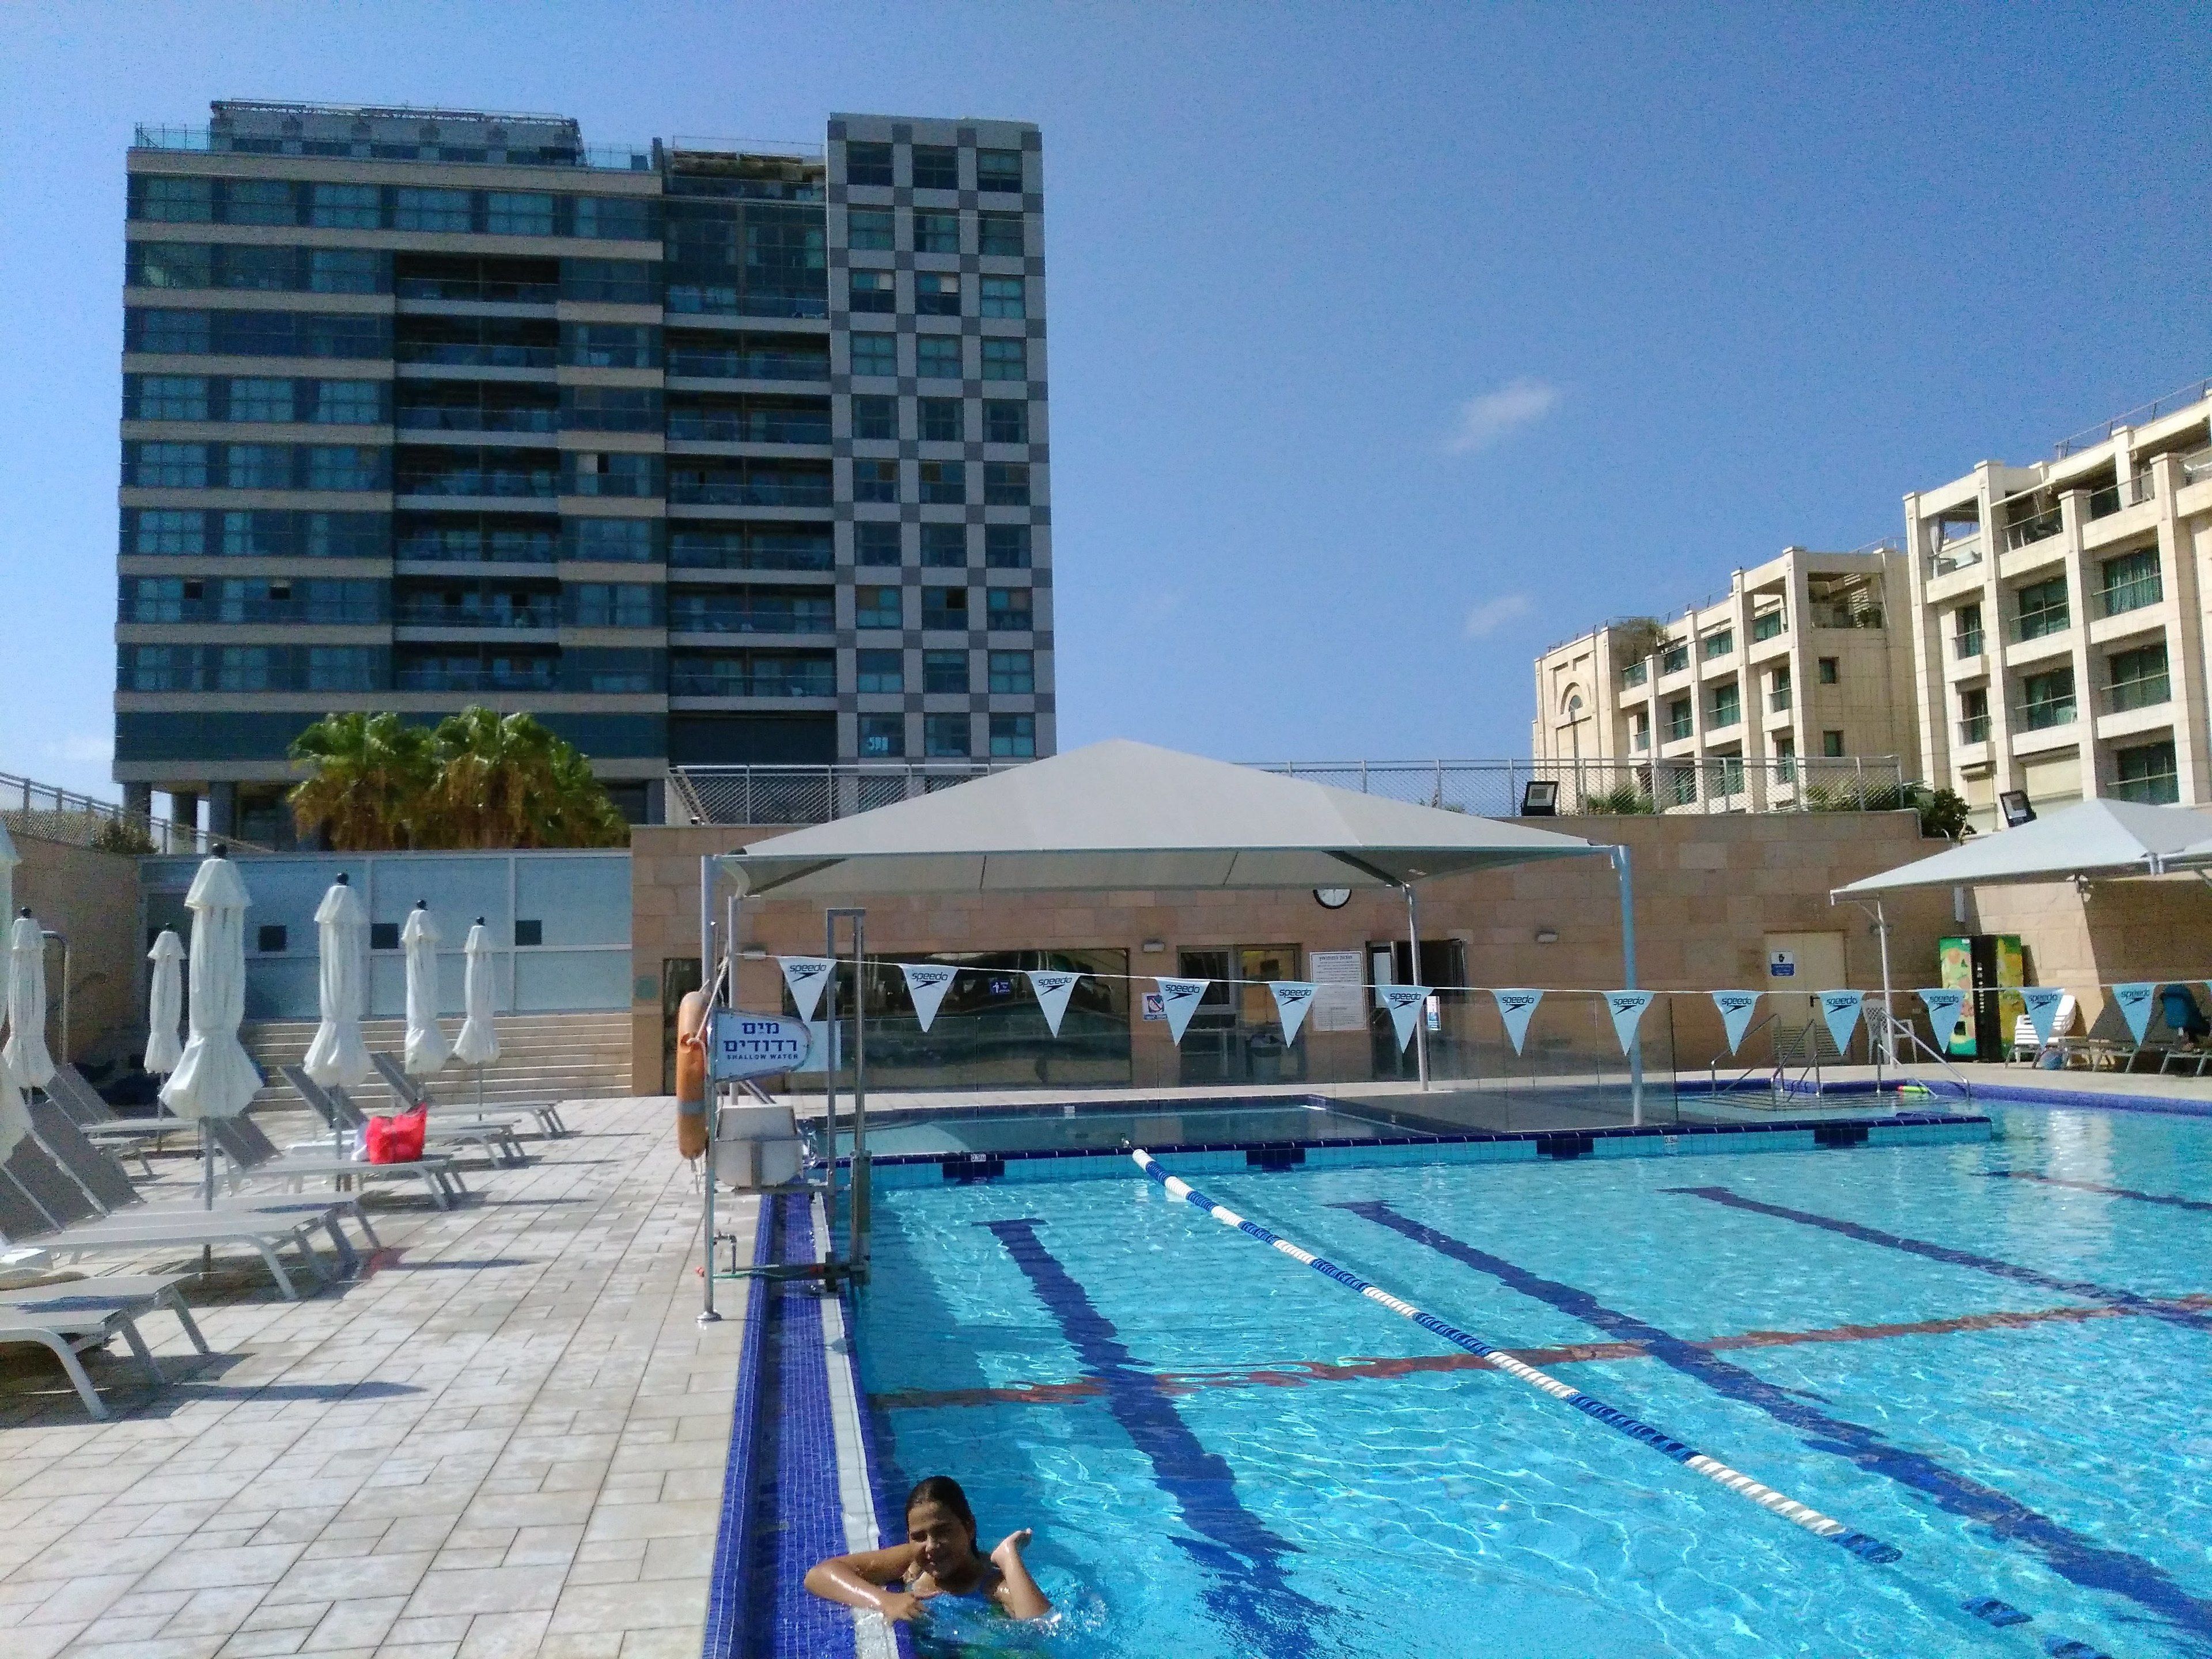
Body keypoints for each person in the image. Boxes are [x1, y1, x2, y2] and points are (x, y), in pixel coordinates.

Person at [806, 1475, 1052, 1626]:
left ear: (969, 1528)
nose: (931, 1546)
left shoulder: (990, 1586)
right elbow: (819, 1575)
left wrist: (1010, 1558)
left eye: (943, 1531)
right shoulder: (913, 1561)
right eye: (919, 1537)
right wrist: (885, 1600)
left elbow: (1043, 1625)